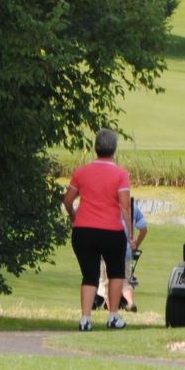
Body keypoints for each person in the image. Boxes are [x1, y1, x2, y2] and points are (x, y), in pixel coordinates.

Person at [63, 129, 133, 332]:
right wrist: (130, 234)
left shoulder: (81, 172)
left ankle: (85, 319)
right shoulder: (120, 174)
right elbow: (125, 207)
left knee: (89, 275)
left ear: (96, 147)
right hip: (111, 230)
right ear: (114, 149)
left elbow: (68, 200)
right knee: (116, 272)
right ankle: (113, 315)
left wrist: (73, 216)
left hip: (83, 230)